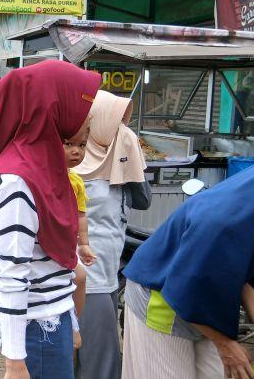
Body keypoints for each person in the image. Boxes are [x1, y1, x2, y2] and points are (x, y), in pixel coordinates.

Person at [0, 60, 101, 379]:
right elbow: (12, 275)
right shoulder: (18, 181)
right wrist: (15, 362)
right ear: (53, 108)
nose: (88, 115)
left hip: (50, 319)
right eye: (82, 105)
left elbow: (54, 267)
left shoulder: (44, 167)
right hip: (36, 331)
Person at [121, 151, 254, 379]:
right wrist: (227, 346)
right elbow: (185, 290)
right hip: (163, 299)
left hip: (203, 307)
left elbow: (247, 279)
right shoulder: (222, 220)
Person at [0, 119, 95, 351]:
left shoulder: (75, 184)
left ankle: (73, 324)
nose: (76, 151)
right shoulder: (30, 177)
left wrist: (83, 245)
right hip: (29, 246)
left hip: (60, 252)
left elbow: (81, 216)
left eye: (82, 145)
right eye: (69, 144)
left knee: (81, 277)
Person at [73, 90, 151, 379]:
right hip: (88, 274)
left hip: (102, 270)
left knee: (91, 350)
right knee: (98, 356)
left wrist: (127, 157)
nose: (121, 129)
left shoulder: (110, 154)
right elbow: (143, 198)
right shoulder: (74, 160)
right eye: (116, 121)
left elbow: (143, 200)